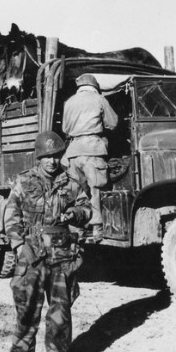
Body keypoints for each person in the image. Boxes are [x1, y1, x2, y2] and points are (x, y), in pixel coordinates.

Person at [4, 131, 92, 352]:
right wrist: (19, 245)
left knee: (60, 310)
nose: (52, 161)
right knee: (27, 309)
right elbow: (11, 216)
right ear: (39, 157)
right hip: (31, 254)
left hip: (62, 256)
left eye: (56, 156)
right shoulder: (24, 181)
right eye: (47, 156)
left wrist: (75, 213)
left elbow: (87, 210)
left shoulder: (71, 183)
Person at [62, 73, 118, 242]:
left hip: (72, 152)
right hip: (93, 149)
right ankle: (97, 229)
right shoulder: (99, 99)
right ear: (94, 87)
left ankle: (78, 229)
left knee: (78, 192)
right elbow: (113, 123)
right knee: (95, 189)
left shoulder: (69, 102)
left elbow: (65, 128)